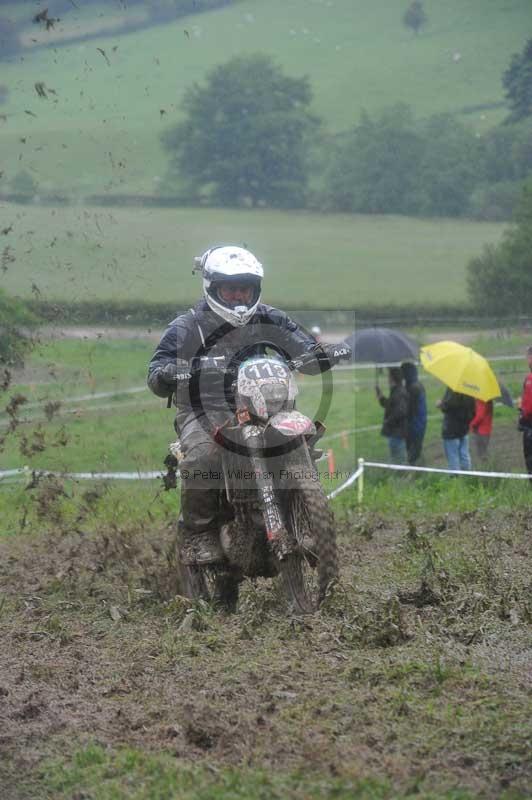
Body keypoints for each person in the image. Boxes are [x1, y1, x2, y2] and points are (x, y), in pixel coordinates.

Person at [147, 245, 351, 566]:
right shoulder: (188, 326)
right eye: (231, 289)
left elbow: (305, 350)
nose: (239, 296)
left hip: (267, 402)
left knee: (302, 437)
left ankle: (307, 512)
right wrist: (168, 373)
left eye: (245, 288)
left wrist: (325, 353)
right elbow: (157, 371)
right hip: (206, 408)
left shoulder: (269, 317)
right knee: (204, 455)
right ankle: (199, 533)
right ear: (213, 287)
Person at [375, 367, 408, 463]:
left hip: (397, 432)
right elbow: (390, 406)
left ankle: (402, 476)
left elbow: (401, 411)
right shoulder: (396, 391)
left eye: (389, 376)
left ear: (393, 378)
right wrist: (381, 397)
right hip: (395, 432)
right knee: (396, 459)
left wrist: (388, 421)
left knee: (398, 460)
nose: (387, 378)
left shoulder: (399, 392)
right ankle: (400, 475)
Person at [437, 388, 476, 471]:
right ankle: (467, 476)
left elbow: (448, 406)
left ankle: (455, 479)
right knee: (464, 455)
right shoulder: (471, 391)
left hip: (451, 429)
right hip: (464, 428)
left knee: (453, 456)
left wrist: (441, 404)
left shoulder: (453, 389)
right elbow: (473, 412)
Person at [400, 362, 427, 465]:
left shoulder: (412, 388)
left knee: (412, 452)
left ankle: (415, 472)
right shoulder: (417, 385)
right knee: (415, 449)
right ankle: (418, 468)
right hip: (420, 422)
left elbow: (409, 409)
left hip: (415, 424)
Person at [518, 345, 532, 481]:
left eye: (528, 356)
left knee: (530, 459)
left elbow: (528, 408)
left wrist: (522, 410)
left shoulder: (529, 379)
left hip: (530, 425)